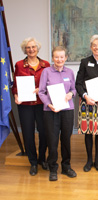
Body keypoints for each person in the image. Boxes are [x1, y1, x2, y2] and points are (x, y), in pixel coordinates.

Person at [12, 37, 50, 176]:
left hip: (42, 104)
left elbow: (50, 83)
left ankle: (42, 159)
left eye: (33, 47)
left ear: (37, 48)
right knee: (28, 134)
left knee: (44, 132)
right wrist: (16, 95)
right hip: (26, 105)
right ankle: (33, 162)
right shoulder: (19, 65)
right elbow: (15, 85)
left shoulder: (46, 64)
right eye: (28, 47)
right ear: (25, 50)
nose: (31, 49)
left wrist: (40, 88)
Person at [75, 35, 98, 172]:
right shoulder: (85, 62)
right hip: (88, 102)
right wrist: (85, 96)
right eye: (94, 45)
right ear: (91, 47)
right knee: (88, 131)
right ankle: (89, 160)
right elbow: (78, 83)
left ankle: (97, 160)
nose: (97, 47)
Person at [38, 46, 76, 181]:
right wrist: (49, 104)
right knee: (52, 141)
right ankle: (53, 168)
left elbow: (74, 89)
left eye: (62, 57)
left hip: (67, 111)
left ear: (65, 58)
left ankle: (66, 167)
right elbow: (41, 92)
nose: (59, 59)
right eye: (56, 57)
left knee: (66, 139)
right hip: (51, 111)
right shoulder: (46, 72)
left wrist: (71, 94)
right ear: (52, 58)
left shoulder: (70, 72)